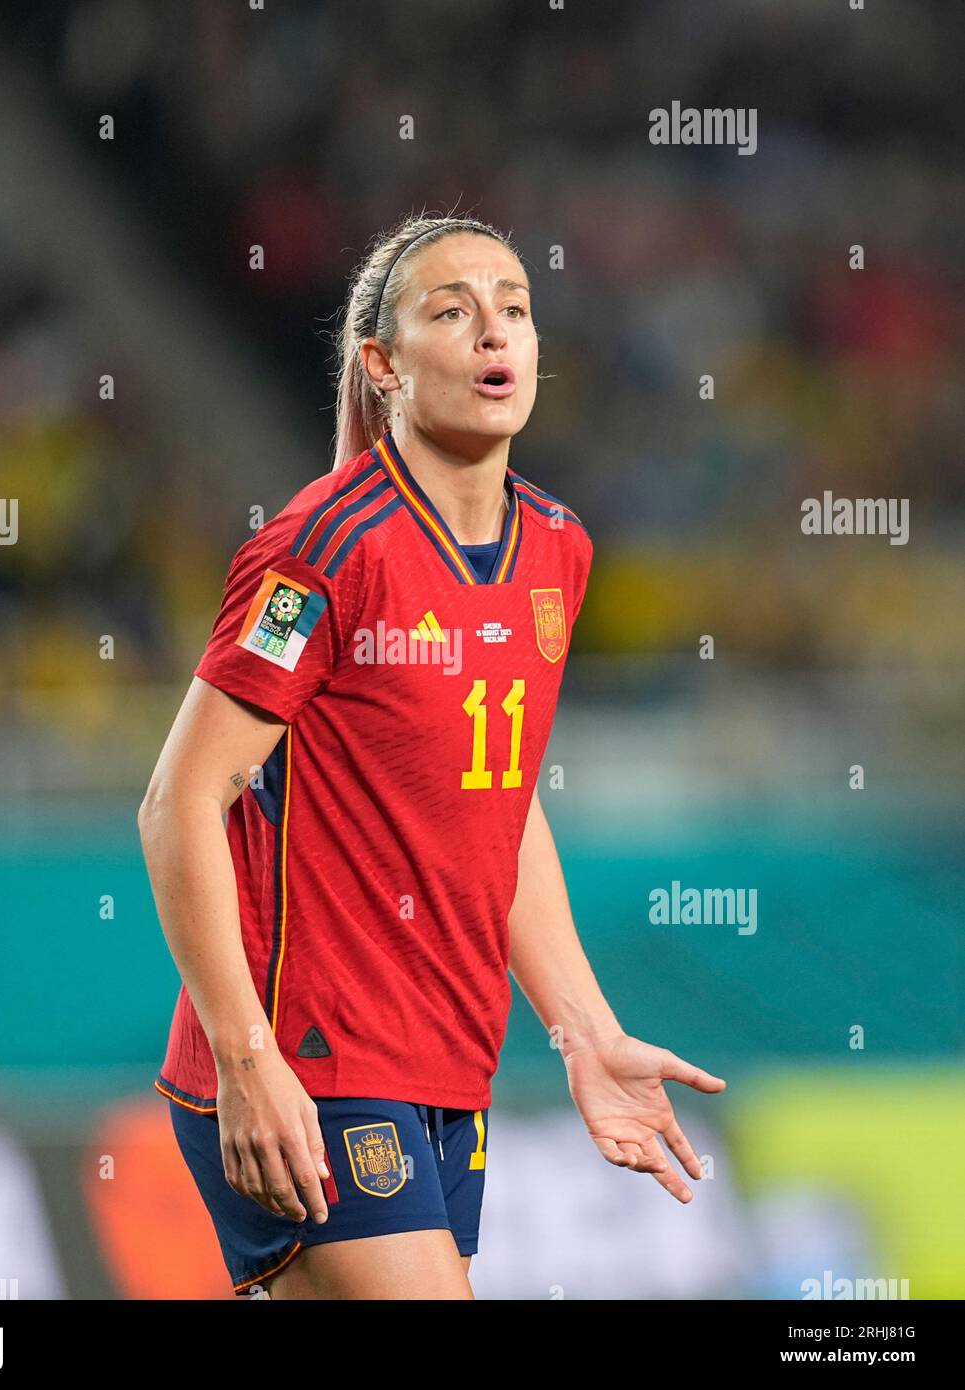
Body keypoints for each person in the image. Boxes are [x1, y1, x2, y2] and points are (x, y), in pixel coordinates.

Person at [139, 212, 726, 1300]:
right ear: (385, 365)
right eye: (451, 313)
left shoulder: (559, 548)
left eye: (514, 309)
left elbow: (499, 814)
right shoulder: (322, 551)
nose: (493, 334)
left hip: (448, 1067)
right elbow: (179, 802)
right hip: (311, 1062)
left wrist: (586, 1034)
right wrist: (247, 1057)